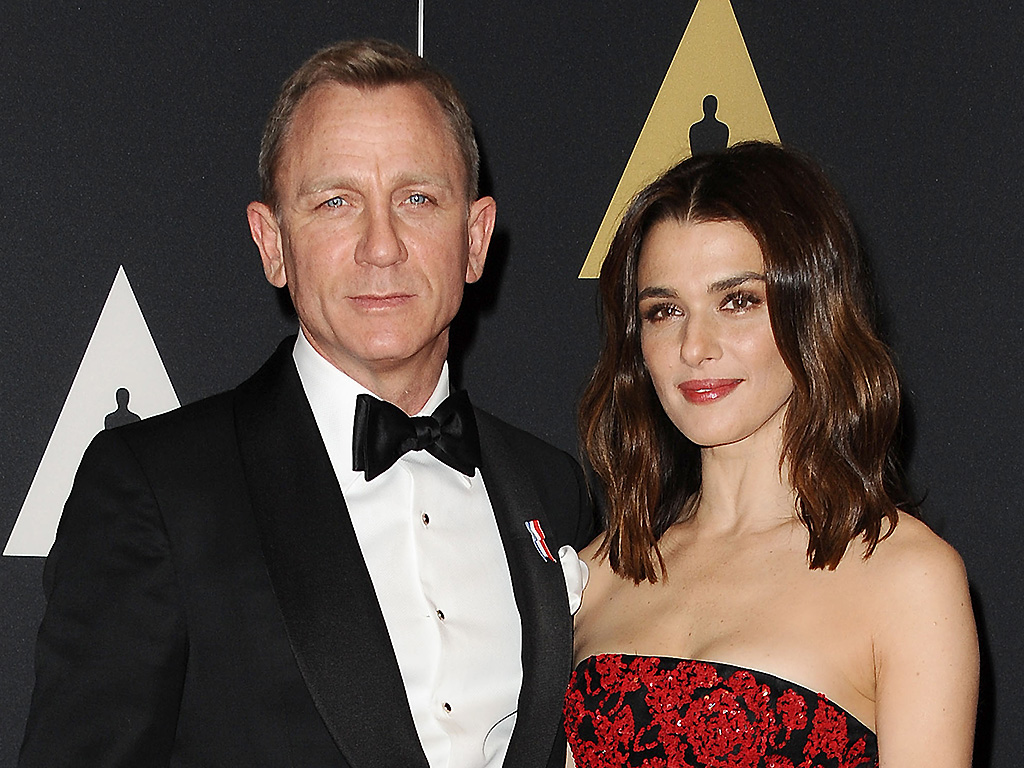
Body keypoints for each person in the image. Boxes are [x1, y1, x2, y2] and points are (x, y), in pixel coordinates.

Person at [19, 39, 594, 768]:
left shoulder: (553, 488)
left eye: (417, 199)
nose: (381, 246)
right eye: (335, 202)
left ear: (475, 240)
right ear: (272, 244)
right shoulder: (157, 488)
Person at [565, 142, 978, 767]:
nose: (694, 346)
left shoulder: (907, 579)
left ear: (811, 311)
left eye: (738, 301)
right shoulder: (597, 574)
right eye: (664, 310)